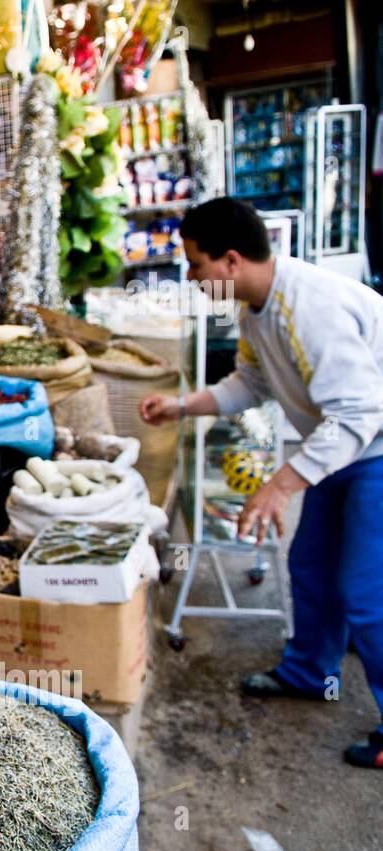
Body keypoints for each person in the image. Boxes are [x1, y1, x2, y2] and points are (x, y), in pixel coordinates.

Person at [139, 197, 383, 769]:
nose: (193, 279)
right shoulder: (256, 310)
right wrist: (181, 406)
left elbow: (357, 414)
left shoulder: (311, 306)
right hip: (339, 448)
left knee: (367, 592)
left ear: (229, 260)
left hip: (373, 446)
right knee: (312, 568)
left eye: (196, 265)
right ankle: (309, 672)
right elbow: (249, 383)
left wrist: (278, 487)